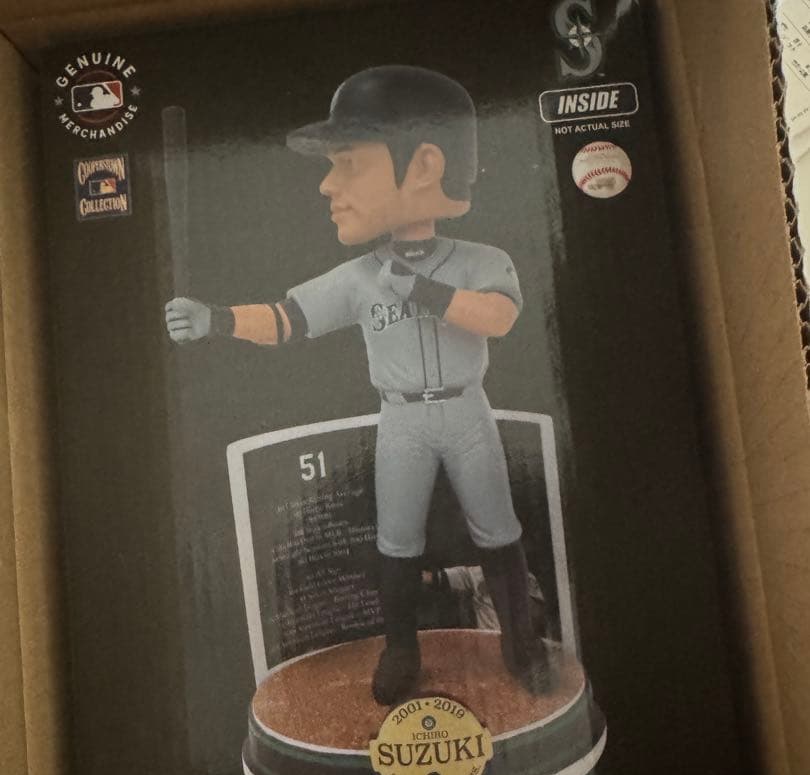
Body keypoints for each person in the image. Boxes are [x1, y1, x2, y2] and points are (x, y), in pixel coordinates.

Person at [164, 65, 553, 705]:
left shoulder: (483, 260)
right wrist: (218, 320)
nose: (327, 183)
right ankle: (401, 650)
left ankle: (522, 648)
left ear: (424, 166)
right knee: (396, 540)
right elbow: (288, 319)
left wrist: (423, 291)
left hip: (467, 412)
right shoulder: (359, 276)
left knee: (498, 530)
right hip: (400, 420)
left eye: (347, 163)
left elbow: (501, 318)